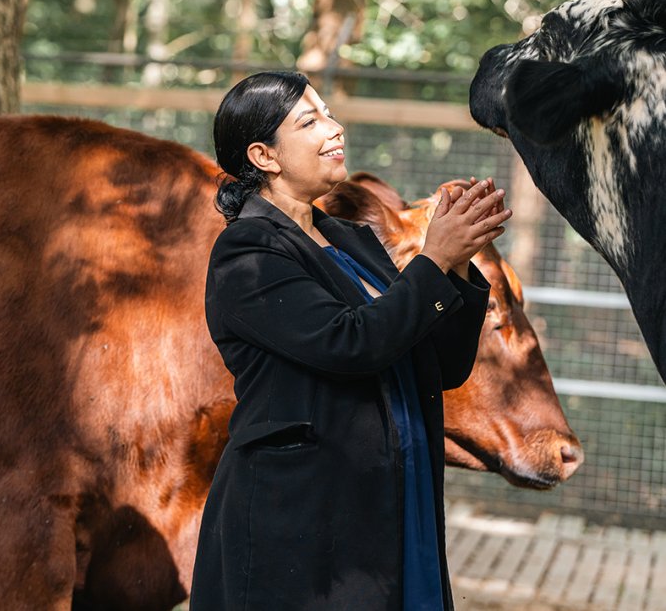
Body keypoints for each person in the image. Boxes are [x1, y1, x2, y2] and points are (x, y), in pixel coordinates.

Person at [190, 71, 511, 611]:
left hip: (391, 501)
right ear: (264, 157)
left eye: (330, 114)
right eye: (310, 121)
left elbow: (438, 364)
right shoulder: (247, 252)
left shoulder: (349, 240)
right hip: (301, 518)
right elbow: (350, 344)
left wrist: (455, 265)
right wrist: (431, 259)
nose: (335, 129)